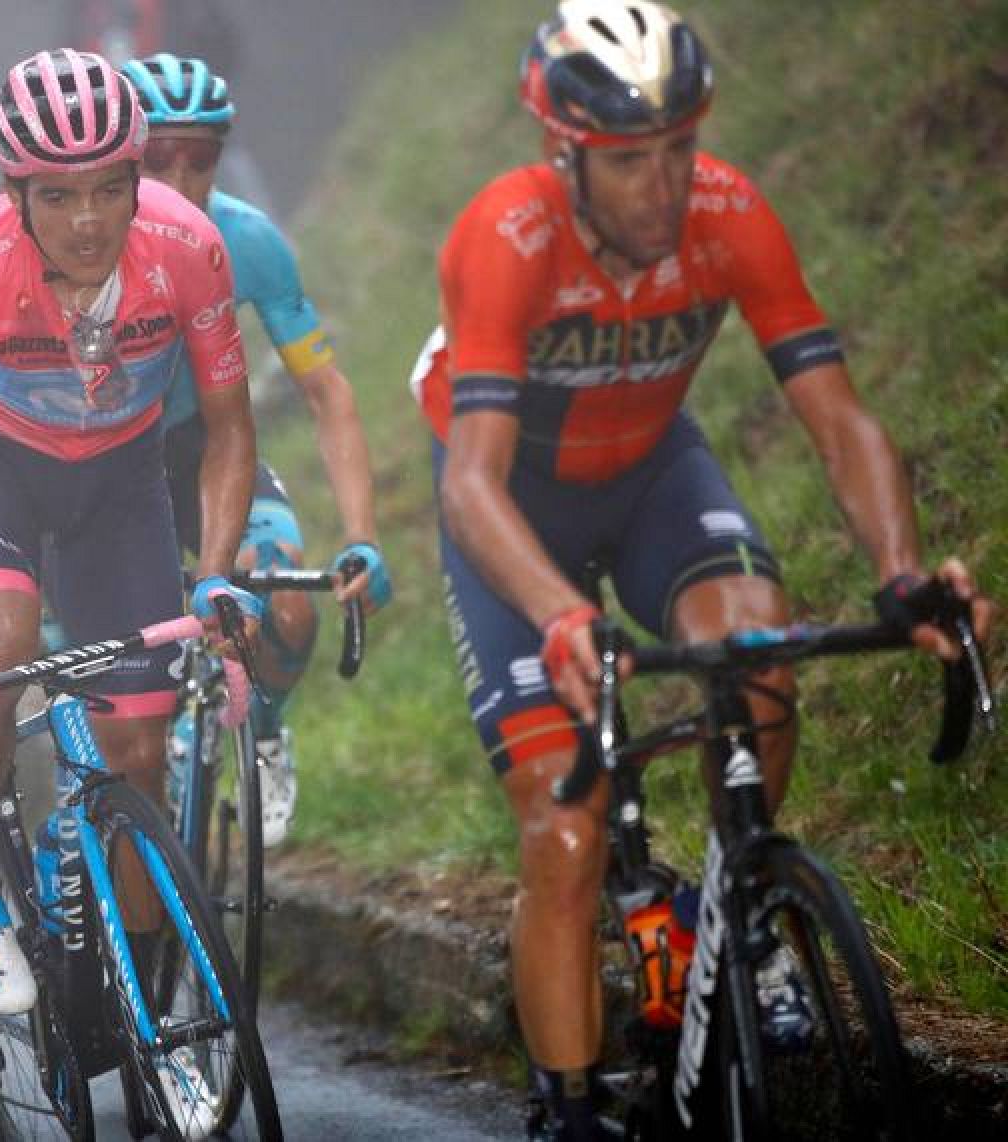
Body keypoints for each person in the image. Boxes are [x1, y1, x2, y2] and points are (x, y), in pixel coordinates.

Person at [421, 4, 995, 1138]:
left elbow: (837, 418)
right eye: (631, 160)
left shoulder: (730, 213)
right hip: (509, 509)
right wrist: (557, 615)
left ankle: (739, 900)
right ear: (567, 154)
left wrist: (899, 573)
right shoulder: (506, 235)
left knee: (758, 647)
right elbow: (469, 485)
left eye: (680, 148)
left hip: (650, 473)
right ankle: (571, 1104)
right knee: (563, 822)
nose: (664, 185)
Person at [0, 48, 260, 1045]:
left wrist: (219, 565)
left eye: (112, 187)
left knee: (139, 751)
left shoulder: (187, 247)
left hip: (120, 486)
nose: (91, 218)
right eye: (58, 196)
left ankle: (145, 1025)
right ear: (15, 193)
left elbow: (228, 429)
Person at [121, 52, 393, 847]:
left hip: (199, 443)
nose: (178, 178)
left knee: (288, 605)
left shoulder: (249, 241)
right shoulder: (84, 244)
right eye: (154, 160)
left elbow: (327, 392)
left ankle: (263, 728)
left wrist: (364, 535)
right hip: (100, 460)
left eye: (199, 158)